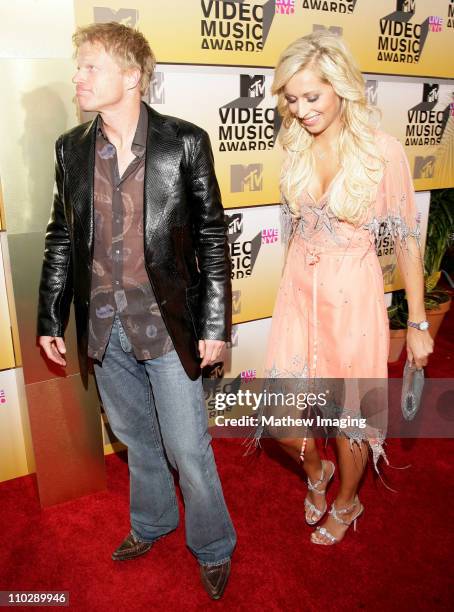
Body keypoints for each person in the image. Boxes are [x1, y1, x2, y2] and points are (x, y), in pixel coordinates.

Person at [37, 22, 235, 599]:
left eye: (89, 66)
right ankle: (152, 523)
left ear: (132, 76)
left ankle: (214, 546)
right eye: (78, 66)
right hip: (104, 325)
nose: (77, 76)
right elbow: (61, 237)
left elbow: (213, 239)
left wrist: (216, 325)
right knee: (135, 440)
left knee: (186, 447)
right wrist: (51, 316)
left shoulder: (185, 142)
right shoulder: (70, 148)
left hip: (168, 326)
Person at [262, 31, 433, 545]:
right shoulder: (293, 146)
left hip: (352, 298)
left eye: (312, 97)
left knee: (350, 418)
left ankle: (347, 499)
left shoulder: (383, 153)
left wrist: (419, 323)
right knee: (280, 418)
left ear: (342, 88)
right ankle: (318, 472)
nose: (301, 110)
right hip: (299, 292)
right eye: (291, 100)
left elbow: (406, 243)